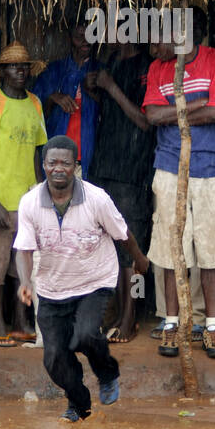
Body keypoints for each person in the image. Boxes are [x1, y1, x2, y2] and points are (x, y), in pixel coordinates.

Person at [14, 136, 152, 421]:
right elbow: (23, 249)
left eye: (65, 162)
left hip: (94, 282)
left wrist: (140, 261)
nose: (59, 168)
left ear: (75, 166)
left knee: (86, 335)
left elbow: (123, 234)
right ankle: (79, 403)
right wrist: (26, 282)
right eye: (52, 163)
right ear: (44, 166)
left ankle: (107, 373)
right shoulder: (29, 203)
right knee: (54, 358)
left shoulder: (96, 198)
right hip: (52, 288)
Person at [144, 7, 215, 359]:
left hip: (211, 169)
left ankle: (211, 325)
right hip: (170, 169)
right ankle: (173, 322)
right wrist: (195, 104)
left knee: (212, 251)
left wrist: (178, 113)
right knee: (173, 251)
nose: (159, 42)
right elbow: (152, 116)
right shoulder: (158, 68)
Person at [0, 42, 47, 346]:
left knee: (23, 264)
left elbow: (36, 153)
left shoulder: (35, 104)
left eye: (24, 66)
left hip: (27, 200)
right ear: (2, 72)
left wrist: (42, 195)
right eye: (14, 66)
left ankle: (20, 321)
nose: (20, 71)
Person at [89, 39, 156, 343]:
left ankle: (131, 317)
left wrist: (111, 87)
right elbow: (111, 110)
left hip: (133, 170)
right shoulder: (112, 60)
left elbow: (145, 121)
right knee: (114, 248)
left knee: (133, 250)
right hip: (107, 166)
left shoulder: (147, 66)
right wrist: (98, 89)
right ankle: (120, 314)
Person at [35, 21, 101, 179]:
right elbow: (32, 113)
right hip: (56, 159)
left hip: (89, 159)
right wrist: (53, 98)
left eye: (90, 35)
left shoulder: (102, 71)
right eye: (79, 36)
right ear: (69, 38)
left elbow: (112, 113)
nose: (85, 40)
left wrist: (93, 91)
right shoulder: (53, 71)